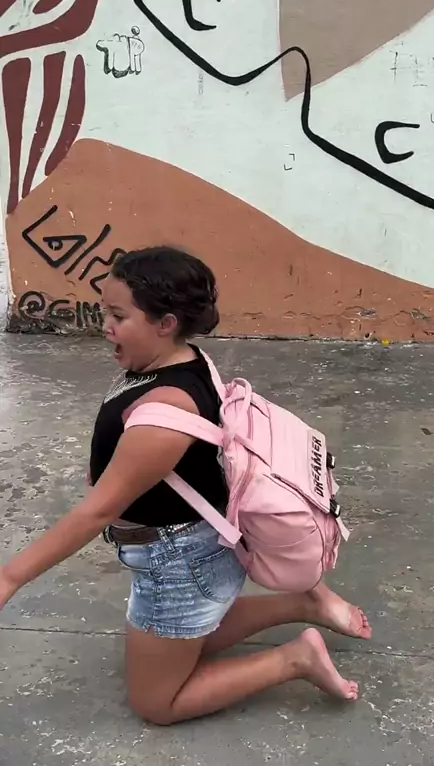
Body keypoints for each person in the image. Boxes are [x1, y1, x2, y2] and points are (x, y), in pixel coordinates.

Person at [0, 246, 371, 725]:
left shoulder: (166, 412)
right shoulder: (179, 359)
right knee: (185, 635)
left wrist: (10, 578)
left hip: (178, 563)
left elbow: (96, 511)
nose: (105, 326)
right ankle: (304, 602)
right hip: (190, 551)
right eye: (105, 311)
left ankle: (294, 659)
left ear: (165, 323)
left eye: (118, 316)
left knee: (156, 703)